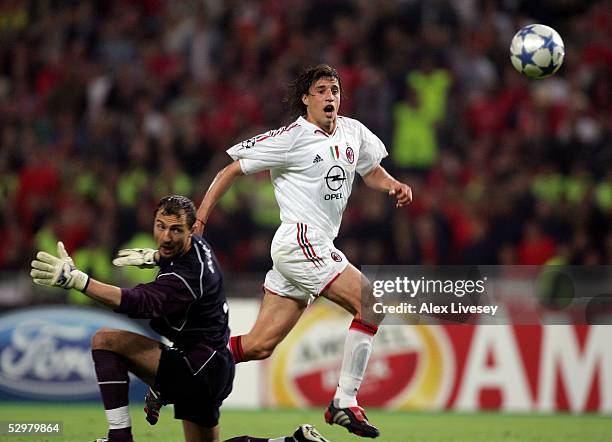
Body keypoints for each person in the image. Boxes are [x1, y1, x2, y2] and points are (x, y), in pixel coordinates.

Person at [193, 65, 412, 438]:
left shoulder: (353, 131)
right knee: (371, 305)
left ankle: (179, 368)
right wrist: (199, 222)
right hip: (299, 240)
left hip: (314, 246)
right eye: (322, 90)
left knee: (259, 345)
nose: (331, 96)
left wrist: (393, 185)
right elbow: (231, 170)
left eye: (336, 90)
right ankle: (344, 400)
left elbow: (370, 169)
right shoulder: (292, 137)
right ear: (306, 99)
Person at [30, 195, 330, 442]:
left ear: (189, 231)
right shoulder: (200, 246)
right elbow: (175, 255)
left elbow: (138, 302)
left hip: (195, 368)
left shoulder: (184, 279)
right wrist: (156, 258)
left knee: (106, 339)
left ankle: (119, 436)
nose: (165, 236)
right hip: (213, 366)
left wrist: (79, 282)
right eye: (160, 226)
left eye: (175, 230)